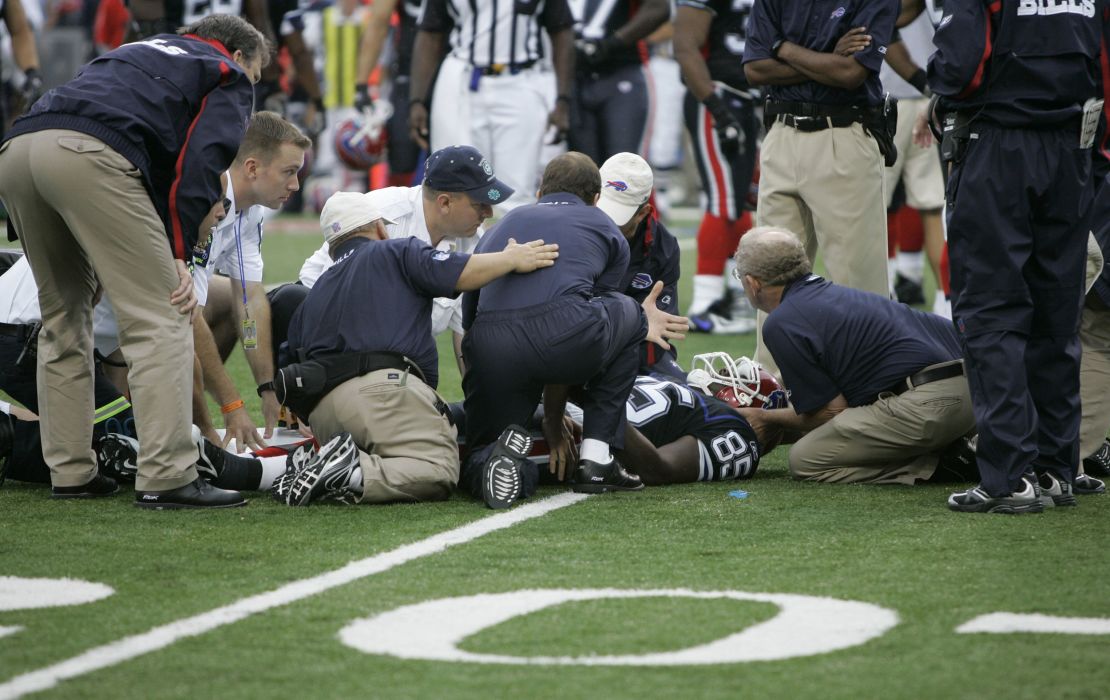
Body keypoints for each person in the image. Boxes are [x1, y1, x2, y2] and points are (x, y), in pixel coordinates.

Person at [0, 15, 266, 509]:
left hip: (19, 148)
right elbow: (201, 163)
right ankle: (167, 474)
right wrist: (179, 252)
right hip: (90, 152)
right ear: (242, 55)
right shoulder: (225, 73)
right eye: (257, 74)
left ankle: (72, 471)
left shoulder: (137, 51)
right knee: (162, 313)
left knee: (62, 318)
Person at [270, 190, 560, 507]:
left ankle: (321, 462)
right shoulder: (396, 250)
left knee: (452, 419)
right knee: (438, 467)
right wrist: (512, 258)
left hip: (325, 416)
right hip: (382, 396)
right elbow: (460, 272)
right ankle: (350, 471)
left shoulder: (316, 290)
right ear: (380, 228)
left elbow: (290, 354)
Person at [928, 0, 1103, 514]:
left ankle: (1010, 478)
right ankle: (1055, 469)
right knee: (1057, 315)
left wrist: (939, 89)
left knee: (992, 312)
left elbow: (959, 68)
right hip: (1073, 150)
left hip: (999, 148)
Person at [459, 152, 689, 510]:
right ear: (596, 199)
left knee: (484, 446)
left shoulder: (501, 227)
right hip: (562, 339)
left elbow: (470, 314)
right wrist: (553, 414)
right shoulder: (605, 228)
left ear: (539, 191)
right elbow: (582, 323)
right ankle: (597, 458)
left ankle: (495, 462)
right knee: (630, 312)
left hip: (491, 347)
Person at [733, 227, 978, 486]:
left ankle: (949, 464)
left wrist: (764, 418)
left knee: (806, 458)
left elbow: (832, 413)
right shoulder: (837, 294)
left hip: (932, 405)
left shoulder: (782, 322)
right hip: (976, 390)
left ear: (753, 283)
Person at [742, 0, 898, 372]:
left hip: (843, 134)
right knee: (769, 274)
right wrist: (823, 57)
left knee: (858, 280)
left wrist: (783, 47)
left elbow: (849, 74)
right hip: (780, 134)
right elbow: (754, 69)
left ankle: (870, 391)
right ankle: (774, 389)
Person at [286, 144, 508, 377]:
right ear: (444, 203)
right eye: (479, 204)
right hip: (334, 347)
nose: (488, 213)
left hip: (396, 366)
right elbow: (330, 295)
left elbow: (463, 333)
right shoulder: (377, 214)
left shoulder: (475, 243)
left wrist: (475, 400)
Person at [190, 112, 311, 451]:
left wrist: (267, 388)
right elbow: (185, 319)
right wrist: (232, 406)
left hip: (157, 308)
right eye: (289, 172)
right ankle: (202, 435)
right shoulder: (203, 197)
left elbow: (249, 300)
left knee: (229, 301)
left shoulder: (250, 209)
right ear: (253, 168)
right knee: (181, 330)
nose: (296, 185)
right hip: (108, 319)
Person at [408, 0, 575, 212]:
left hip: (520, 80)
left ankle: (511, 243)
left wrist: (562, 100)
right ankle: (457, 246)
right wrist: (417, 100)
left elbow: (561, 29)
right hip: (462, 78)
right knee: (455, 182)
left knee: (515, 190)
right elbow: (430, 31)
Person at [673, 0, 760, 335]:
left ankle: (737, 293)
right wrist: (717, 109)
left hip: (748, 98)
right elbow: (685, 47)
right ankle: (705, 303)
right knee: (722, 201)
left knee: (737, 200)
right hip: (717, 95)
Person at [597, 152, 685, 382]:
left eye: (617, 217)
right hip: (578, 344)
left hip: (636, 351)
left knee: (681, 393)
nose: (607, 224)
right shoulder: (572, 228)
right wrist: (636, 319)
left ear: (643, 212)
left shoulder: (664, 247)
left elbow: (658, 331)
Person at [568, 0, 669, 164]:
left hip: (622, 72)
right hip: (572, 76)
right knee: (582, 171)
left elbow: (660, 8)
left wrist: (613, 43)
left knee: (623, 166)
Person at [352, 0, 425, 187]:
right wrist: (362, 83)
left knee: (449, 151)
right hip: (407, 74)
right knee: (402, 158)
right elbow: (378, 22)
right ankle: (399, 211)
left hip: (450, 68)